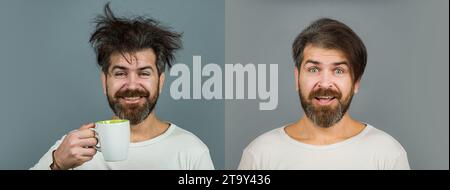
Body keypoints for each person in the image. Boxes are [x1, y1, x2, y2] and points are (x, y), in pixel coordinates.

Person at [31, 3, 214, 170]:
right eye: (120, 73)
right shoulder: (73, 147)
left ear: (161, 82)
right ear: (105, 82)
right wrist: (57, 164)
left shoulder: (192, 151)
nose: (132, 84)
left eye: (144, 73)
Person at [238, 18, 410, 170]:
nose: (325, 83)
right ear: (297, 78)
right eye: (313, 69)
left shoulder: (388, 154)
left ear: (356, 82)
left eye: (338, 70)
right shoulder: (260, 154)